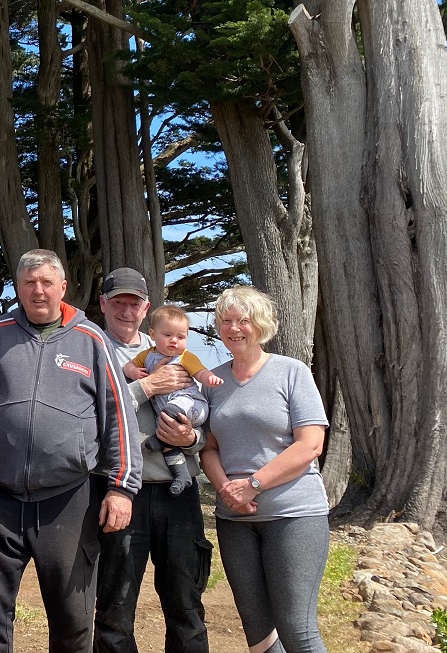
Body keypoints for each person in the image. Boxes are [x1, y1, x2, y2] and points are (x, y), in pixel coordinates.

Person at [0, 249, 141, 653]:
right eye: (29, 282)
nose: (38, 290)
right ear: (19, 287)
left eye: (47, 282)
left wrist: (121, 488)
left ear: (63, 287)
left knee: (72, 618)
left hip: (68, 501)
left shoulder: (91, 340)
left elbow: (118, 417)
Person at [199, 285, 330, 653]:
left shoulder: (292, 372)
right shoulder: (212, 382)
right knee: (257, 633)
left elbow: (310, 444)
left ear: (261, 325)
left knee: (296, 630)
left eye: (243, 320)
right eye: (226, 321)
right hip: (235, 521)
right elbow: (208, 449)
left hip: (294, 516)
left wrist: (253, 485)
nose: (234, 328)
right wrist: (227, 488)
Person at [94, 267, 212, 653]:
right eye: (118, 303)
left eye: (134, 304)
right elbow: (89, 414)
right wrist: (146, 387)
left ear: (146, 308)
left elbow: (204, 414)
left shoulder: (174, 349)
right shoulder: (91, 348)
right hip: (120, 491)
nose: (126, 311)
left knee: (186, 600)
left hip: (178, 491)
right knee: (116, 602)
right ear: (103, 304)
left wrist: (192, 439)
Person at [122, 305, 223, 495]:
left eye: (181, 337)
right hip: (168, 416)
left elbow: (200, 372)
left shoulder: (185, 357)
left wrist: (209, 378)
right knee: (170, 439)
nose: (174, 341)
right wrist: (135, 373)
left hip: (190, 404)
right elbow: (129, 366)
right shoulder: (147, 355)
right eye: (168, 335)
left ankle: (158, 439)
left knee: (169, 415)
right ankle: (181, 475)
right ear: (153, 334)